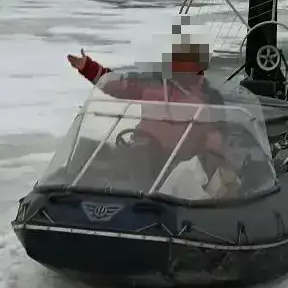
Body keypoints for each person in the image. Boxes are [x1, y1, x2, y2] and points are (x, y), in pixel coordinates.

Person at [66, 33, 241, 196]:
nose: (179, 67)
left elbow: (217, 137)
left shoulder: (208, 97)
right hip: (142, 150)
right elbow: (117, 85)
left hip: (181, 160)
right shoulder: (152, 83)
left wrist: (215, 152)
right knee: (90, 151)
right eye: (177, 61)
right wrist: (88, 67)